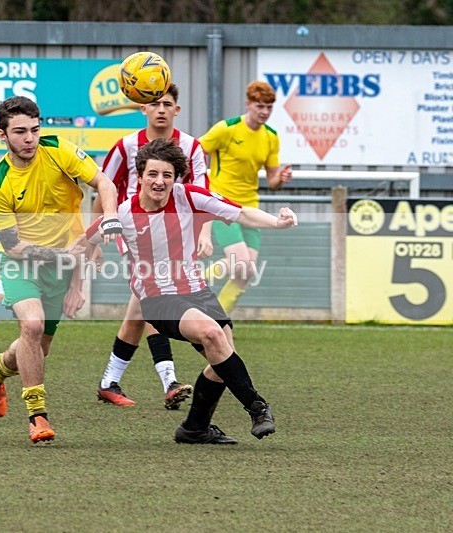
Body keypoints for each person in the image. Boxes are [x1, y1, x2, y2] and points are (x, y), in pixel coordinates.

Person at [86, 138, 297, 444]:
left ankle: (194, 428)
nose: (159, 181)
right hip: (157, 300)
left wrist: (278, 222)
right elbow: (87, 237)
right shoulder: (124, 213)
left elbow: (241, 213)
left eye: (167, 175)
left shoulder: (189, 197)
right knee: (212, 334)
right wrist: (82, 265)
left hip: (197, 292)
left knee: (223, 360)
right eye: (152, 174)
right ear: (140, 176)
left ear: (176, 178)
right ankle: (257, 407)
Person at [0, 96, 120, 444]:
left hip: (62, 265)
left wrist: (109, 220)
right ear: (2, 135)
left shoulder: (59, 150)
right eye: (20, 132)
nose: (30, 138)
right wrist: (66, 257)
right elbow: (14, 246)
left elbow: (105, 184)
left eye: (34, 129)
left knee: (37, 350)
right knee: (32, 325)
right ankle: (37, 415)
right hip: (20, 263)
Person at [93, 84, 212, 409]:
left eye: (167, 103)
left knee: (140, 308)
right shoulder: (125, 146)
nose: (161, 109)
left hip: (176, 238)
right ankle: (169, 381)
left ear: (177, 109)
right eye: (154, 103)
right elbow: (103, 187)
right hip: (134, 233)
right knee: (155, 296)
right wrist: (95, 237)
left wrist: (205, 233)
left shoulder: (192, 146)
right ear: (142, 108)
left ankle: (109, 381)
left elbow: (205, 197)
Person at [199, 80, 292, 313]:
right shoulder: (226, 129)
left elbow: (272, 181)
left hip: (250, 207)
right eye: (260, 106)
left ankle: (217, 318)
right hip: (222, 204)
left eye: (269, 107)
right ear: (248, 104)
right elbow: (193, 154)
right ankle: (190, 283)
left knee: (247, 271)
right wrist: (202, 190)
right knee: (240, 263)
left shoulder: (271, 136)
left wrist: (281, 178)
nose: (265, 112)